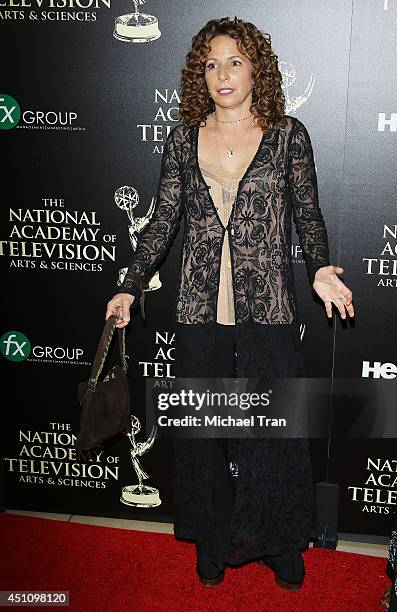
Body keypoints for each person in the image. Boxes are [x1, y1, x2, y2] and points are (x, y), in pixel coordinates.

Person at [106, 17, 355, 589]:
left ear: (255, 70)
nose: (222, 73)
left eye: (234, 61)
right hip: (199, 311)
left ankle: (282, 541)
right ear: (201, 72)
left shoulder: (289, 135)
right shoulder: (182, 137)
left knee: (274, 429)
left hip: (266, 308)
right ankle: (211, 536)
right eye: (211, 63)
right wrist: (130, 282)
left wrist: (318, 268)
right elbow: (163, 219)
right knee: (207, 433)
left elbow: (307, 215)